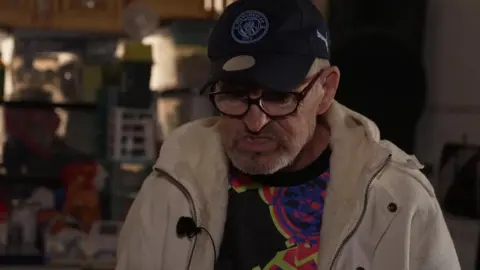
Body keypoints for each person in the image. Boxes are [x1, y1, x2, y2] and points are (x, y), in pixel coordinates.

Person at [116, 0, 460, 269]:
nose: (255, 121)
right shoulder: (171, 187)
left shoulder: (397, 199)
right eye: (235, 95)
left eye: (280, 97)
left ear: (325, 90)